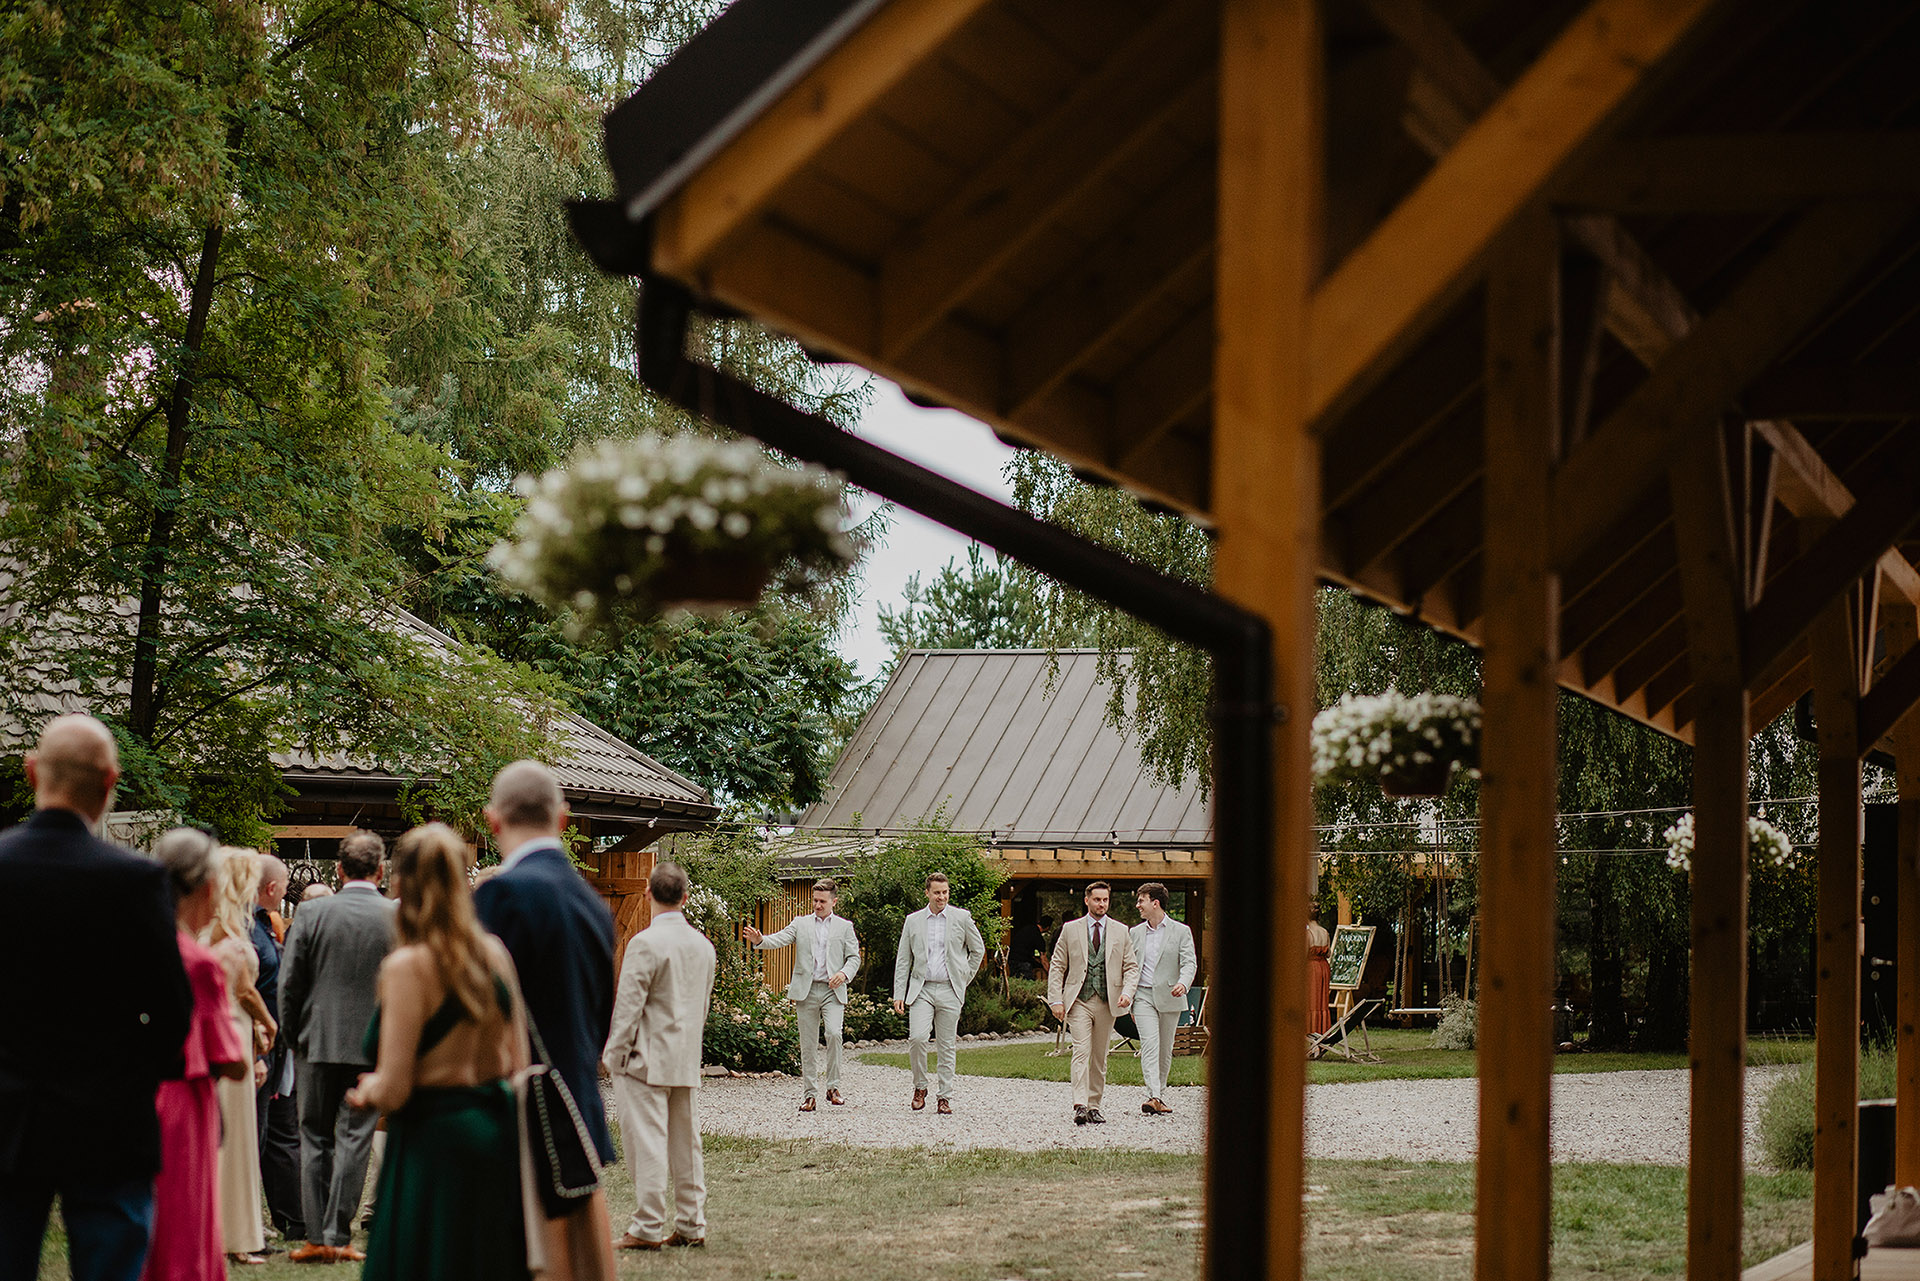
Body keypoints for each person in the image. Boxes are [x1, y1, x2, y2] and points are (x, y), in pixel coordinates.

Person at [0, 715, 193, 1281]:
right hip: (110, 1114)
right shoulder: (134, 879)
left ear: (32, 771)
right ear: (111, 781)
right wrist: (140, 1070)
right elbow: (171, 1005)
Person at [344, 824, 534, 1281]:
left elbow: (394, 1089)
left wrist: (368, 1090)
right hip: (491, 1136)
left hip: (429, 1146)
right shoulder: (495, 954)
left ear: (400, 882)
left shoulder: (407, 967)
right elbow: (518, 1063)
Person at [473, 760, 616, 1281]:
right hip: (577, 1106)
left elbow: (481, 1016)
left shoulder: (500, 895)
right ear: (563, 817)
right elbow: (599, 1015)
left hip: (521, 1115)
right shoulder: (592, 902)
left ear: (492, 820)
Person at [278, 830, 394, 1263]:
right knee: (355, 1140)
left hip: (316, 1040)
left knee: (313, 1137)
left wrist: (294, 1037)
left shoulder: (311, 914)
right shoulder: (396, 917)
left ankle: (317, 1237)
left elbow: (290, 984)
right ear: (380, 871)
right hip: (373, 1046)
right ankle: (338, 1234)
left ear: (339, 870)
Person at [144, 829, 249, 1281]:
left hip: (135, 1097)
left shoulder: (135, 946)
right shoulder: (199, 963)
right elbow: (230, 1059)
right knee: (186, 1221)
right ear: (207, 888)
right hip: (185, 1104)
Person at [604, 862, 717, 1250]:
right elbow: (702, 1007)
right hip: (684, 1056)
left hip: (645, 1058)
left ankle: (647, 1226)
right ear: (685, 897)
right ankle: (691, 1223)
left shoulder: (644, 943)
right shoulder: (704, 946)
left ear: (648, 893)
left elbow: (628, 1007)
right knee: (687, 1145)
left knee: (647, 1143)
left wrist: (614, 1055)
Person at [207, 848, 276, 1266]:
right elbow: (242, 988)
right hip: (229, 1026)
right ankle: (228, 1234)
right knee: (231, 1138)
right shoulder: (219, 926)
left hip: (239, 1028)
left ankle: (236, 1234)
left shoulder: (231, 922)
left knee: (240, 1135)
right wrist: (268, 1021)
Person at [743, 878, 860, 1111]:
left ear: (834, 901)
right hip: (806, 990)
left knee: (834, 1034)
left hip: (833, 991)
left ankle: (833, 1087)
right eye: (815, 900)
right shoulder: (800, 923)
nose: (817, 905)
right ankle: (810, 1095)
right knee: (807, 1044)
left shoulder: (845, 927)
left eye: (822, 901)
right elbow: (780, 938)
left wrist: (843, 974)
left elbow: (854, 958)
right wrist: (760, 940)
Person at [890, 872, 985, 1114]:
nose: (941, 897)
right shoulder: (913, 921)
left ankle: (944, 1096)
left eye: (945, 892)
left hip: (950, 989)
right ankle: (920, 1086)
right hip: (921, 989)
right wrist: (899, 993)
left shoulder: (962, 917)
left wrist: (963, 978)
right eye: (937, 893)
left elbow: (978, 950)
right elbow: (903, 959)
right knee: (917, 1038)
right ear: (927, 893)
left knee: (946, 1045)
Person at [1047, 881, 1140, 1125]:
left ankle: (1094, 1106)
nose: (1101, 904)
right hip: (1079, 1000)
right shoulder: (1070, 929)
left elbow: (1131, 967)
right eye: (1097, 899)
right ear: (1087, 900)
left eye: (1105, 900)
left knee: (1100, 1056)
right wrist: (1055, 999)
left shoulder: (1121, 930)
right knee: (1081, 1050)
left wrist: (1128, 993)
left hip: (1108, 1001)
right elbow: (1057, 965)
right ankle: (1080, 1105)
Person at [252, 856, 305, 1246]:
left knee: (283, 1130)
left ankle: (294, 1218)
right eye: (285, 884)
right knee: (258, 1132)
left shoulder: (267, 924)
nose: (287, 889)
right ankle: (251, 1221)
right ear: (272, 888)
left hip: (280, 1046)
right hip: (260, 1044)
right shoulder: (248, 929)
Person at [1128, 883, 1197, 1116]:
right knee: (1149, 1044)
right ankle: (1154, 1095)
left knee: (1165, 1049)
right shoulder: (1135, 933)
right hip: (1143, 996)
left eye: (1141, 900)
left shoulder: (1181, 931)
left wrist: (1183, 983)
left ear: (1155, 903)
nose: (1138, 905)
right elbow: (1129, 966)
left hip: (1170, 995)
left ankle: (1160, 1094)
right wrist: (1129, 997)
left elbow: (1189, 963)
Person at [1307, 912, 1333, 1036]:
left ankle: (1311, 1031)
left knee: (1311, 1001)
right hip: (1323, 968)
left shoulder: (1307, 934)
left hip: (1311, 968)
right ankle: (1321, 1031)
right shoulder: (1325, 932)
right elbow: (1328, 954)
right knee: (1322, 1002)